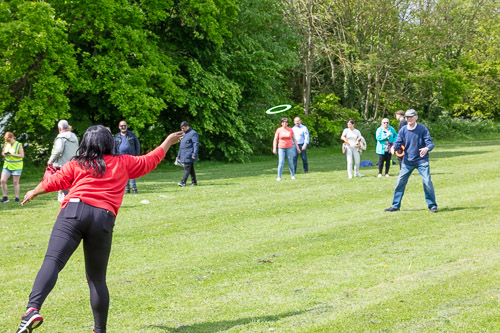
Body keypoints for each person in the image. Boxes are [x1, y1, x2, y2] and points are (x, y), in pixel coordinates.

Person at [16, 125, 183, 333]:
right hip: (102, 218)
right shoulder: (124, 162)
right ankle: (99, 330)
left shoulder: (77, 163)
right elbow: (150, 160)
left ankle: (32, 309)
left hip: (73, 212)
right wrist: (167, 142)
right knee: (96, 279)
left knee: (53, 261)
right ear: (108, 142)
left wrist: (34, 191)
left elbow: (55, 181)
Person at [385, 109, 438, 213]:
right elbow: (398, 142)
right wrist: (393, 147)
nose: (408, 119)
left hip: (421, 161)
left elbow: (430, 143)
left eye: (410, 117)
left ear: (416, 117)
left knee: (427, 182)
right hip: (407, 161)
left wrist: (426, 149)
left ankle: (432, 206)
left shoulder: (422, 129)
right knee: (399, 182)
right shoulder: (403, 130)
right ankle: (395, 205)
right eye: (407, 117)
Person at [47, 120, 79, 202]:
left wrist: (50, 160)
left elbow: (58, 150)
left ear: (59, 128)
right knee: (72, 181)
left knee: (63, 181)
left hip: (63, 164)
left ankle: (64, 197)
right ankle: (72, 196)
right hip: (75, 162)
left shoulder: (60, 137)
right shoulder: (74, 136)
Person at [114, 121, 140, 194]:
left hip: (131, 157)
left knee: (133, 173)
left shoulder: (132, 135)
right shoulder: (116, 136)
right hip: (121, 158)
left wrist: (137, 156)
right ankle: (127, 189)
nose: (123, 127)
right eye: (122, 126)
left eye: (124, 125)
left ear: (127, 126)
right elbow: (115, 148)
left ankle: (134, 189)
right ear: (119, 127)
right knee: (124, 174)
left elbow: (137, 145)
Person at [1, 131, 24, 203]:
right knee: (2, 181)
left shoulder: (18, 144)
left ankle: (17, 197)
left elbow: (22, 155)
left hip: (16, 166)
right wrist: (4, 154)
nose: (7, 141)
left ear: (12, 138)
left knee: (15, 182)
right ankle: (5, 197)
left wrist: (12, 155)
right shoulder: (6, 144)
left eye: (8, 140)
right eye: (6, 140)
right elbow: (3, 152)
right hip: (7, 165)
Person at [177, 121, 199, 187]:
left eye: (183, 128)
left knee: (187, 168)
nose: (182, 130)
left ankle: (183, 182)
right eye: (181, 128)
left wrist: (194, 154)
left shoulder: (193, 133)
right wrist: (179, 155)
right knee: (191, 169)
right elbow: (181, 146)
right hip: (183, 154)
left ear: (187, 126)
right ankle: (194, 182)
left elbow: (196, 144)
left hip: (189, 154)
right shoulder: (184, 134)